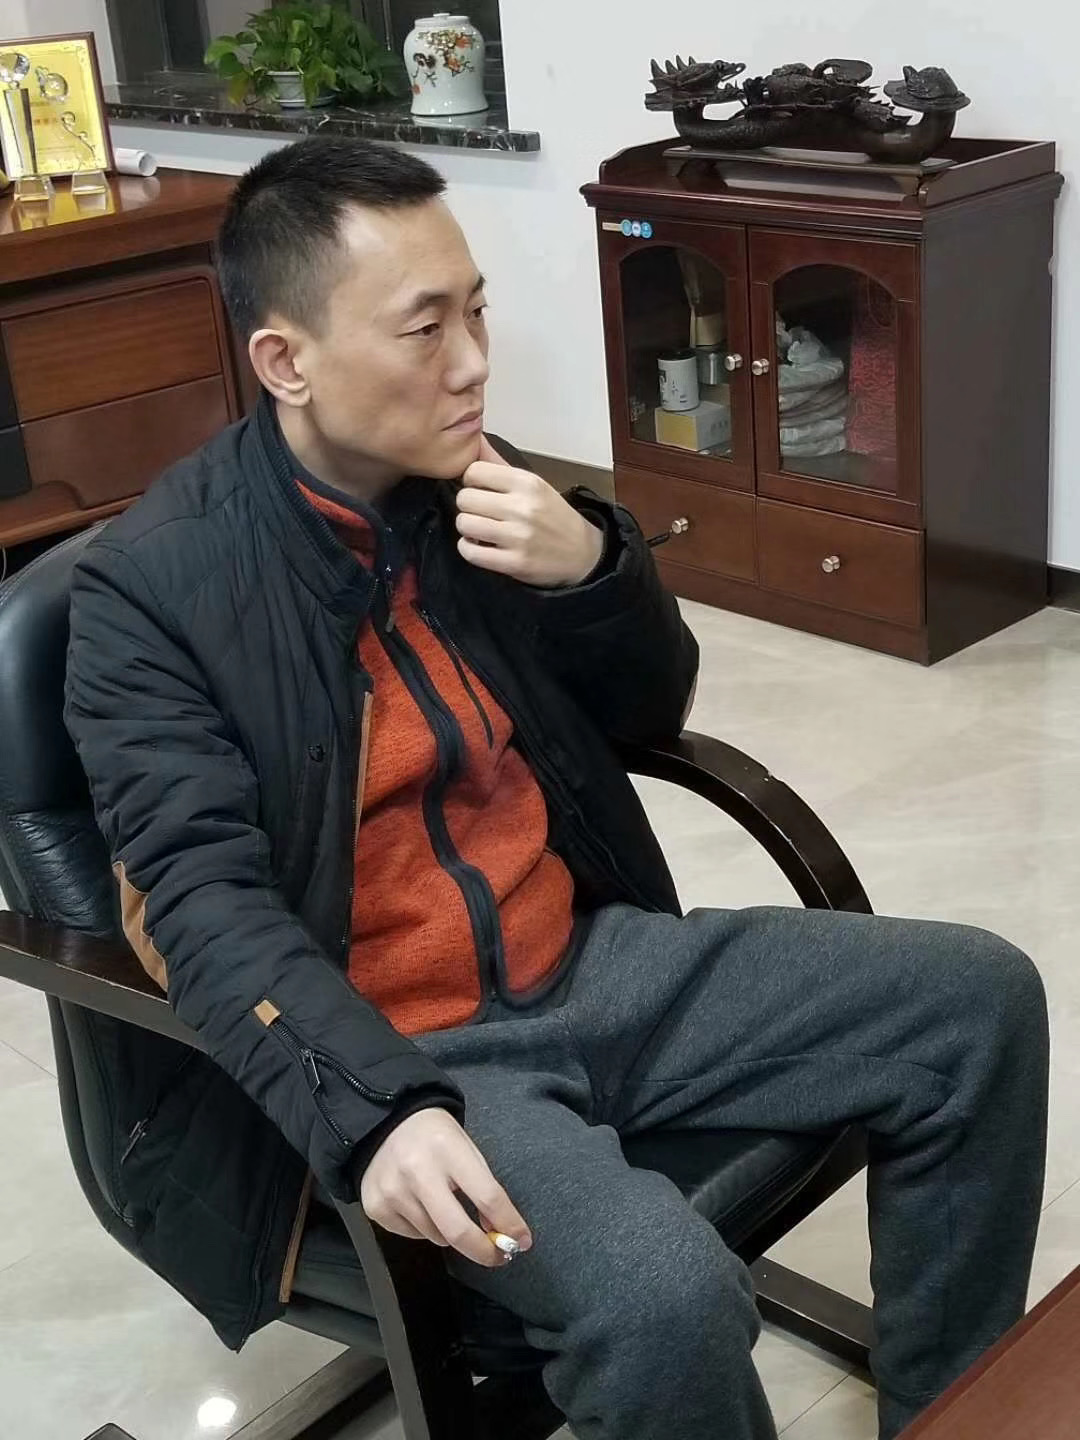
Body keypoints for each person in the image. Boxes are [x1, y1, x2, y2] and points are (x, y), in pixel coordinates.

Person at [65, 136, 1048, 1440]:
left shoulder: (474, 487)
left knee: (979, 1004)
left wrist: (593, 567)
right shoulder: (151, 594)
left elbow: (649, 715)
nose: (473, 360)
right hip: (415, 1051)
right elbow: (197, 900)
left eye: (476, 311)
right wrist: (376, 1112)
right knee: (661, 1298)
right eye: (425, 328)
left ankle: (951, 1416)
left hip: (587, 964)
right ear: (286, 361)